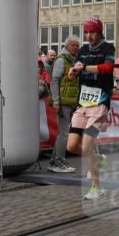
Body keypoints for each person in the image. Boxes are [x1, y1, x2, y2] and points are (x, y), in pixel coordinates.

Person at [67, 18, 115, 200]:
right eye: (86, 32)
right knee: (72, 146)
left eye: (92, 32)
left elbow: (108, 68)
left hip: (100, 106)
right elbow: (73, 73)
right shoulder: (83, 51)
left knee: (87, 145)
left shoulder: (108, 48)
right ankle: (97, 159)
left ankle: (97, 187)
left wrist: (85, 67)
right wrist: (72, 73)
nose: (89, 36)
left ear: (99, 32)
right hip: (83, 105)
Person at [48, 36, 81, 173]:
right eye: (73, 45)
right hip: (63, 102)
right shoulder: (61, 60)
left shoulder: (72, 60)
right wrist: (56, 101)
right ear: (67, 45)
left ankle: (54, 161)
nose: (76, 48)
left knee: (63, 132)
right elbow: (54, 81)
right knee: (64, 133)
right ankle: (58, 162)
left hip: (69, 101)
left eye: (77, 45)